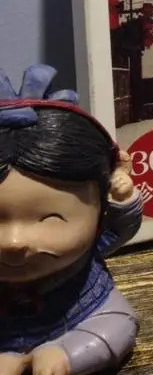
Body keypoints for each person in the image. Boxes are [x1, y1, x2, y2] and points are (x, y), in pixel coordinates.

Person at [0, 64, 142, 375]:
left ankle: (63, 355)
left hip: (82, 312)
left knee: (115, 326)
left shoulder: (88, 250)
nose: (13, 242)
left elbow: (120, 230)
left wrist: (122, 200)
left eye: (50, 218)